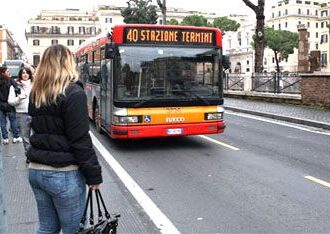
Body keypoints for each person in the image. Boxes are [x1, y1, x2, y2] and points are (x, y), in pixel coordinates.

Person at [27, 44, 103, 234]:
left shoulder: (36, 93)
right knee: (75, 230)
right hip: (63, 173)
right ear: (68, 63)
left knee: (47, 228)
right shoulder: (73, 93)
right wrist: (93, 175)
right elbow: (80, 140)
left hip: (36, 170)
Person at [8, 67, 33, 156]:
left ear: (30, 74)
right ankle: (29, 155)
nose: (25, 74)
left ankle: (36, 154)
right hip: (21, 114)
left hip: (35, 113)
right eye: (23, 73)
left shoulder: (35, 85)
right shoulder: (15, 86)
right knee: (25, 137)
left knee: (37, 135)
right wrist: (19, 98)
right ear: (20, 75)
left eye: (27, 73)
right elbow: (10, 101)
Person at [0, 66, 22, 144]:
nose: (9, 73)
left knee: (2, 122)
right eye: (8, 71)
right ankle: (16, 137)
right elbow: (17, 89)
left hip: (1, 105)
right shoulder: (10, 80)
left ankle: (5, 138)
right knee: (13, 120)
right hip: (10, 104)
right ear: (3, 73)